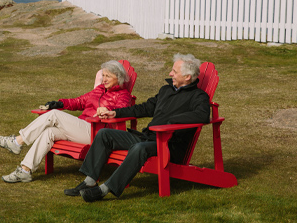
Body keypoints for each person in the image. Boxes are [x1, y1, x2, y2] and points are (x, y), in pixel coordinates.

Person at [64, 53, 210, 202]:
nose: (170, 73)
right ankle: (89, 181)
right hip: (148, 137)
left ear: (187, 77)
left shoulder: (199, 96)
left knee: (139, 148)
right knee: (104, 134)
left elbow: (203, 115)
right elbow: (144, 108)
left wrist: (172, 121)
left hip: (169, 144)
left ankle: (104, 190)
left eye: (174, 71)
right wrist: (115, 112)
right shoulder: (166, 90)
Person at [0, 60, 134, 183]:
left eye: (108, 76)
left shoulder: (123, 95)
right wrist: (60, 104)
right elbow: (79, 101)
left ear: (119, 77)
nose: (103, 79)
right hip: (82, 128)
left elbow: (122, 110)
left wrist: (107, 110)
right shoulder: (99, 90)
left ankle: (17, 141)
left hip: (98, 133)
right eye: (103, 75)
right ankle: (25, 171)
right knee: (49, 132)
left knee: (54, 115)